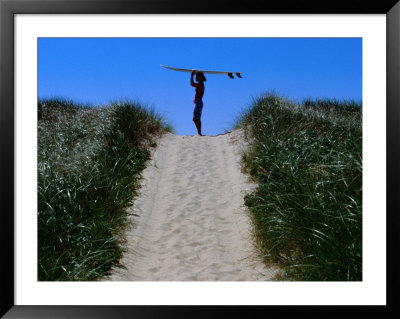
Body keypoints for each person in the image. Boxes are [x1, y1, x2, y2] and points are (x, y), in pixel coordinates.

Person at [190, 70, 206, 136]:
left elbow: (192, 84)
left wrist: (192, 75)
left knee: (195, 118)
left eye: (196, 77)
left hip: (198, 102)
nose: (195, 78)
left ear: (200, 77)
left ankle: (199, 132)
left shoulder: (201, 84)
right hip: (198, 102)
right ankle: (199, 132)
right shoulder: (200, 84)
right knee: (196, 118)